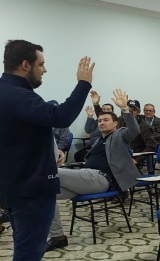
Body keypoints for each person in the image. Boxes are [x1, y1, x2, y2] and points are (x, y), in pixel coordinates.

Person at [0, 39, 95, 261]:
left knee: (24, 244)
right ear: (26, 65)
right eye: (41, 64)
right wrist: (83, 84)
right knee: (29, 252)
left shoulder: (5, 91)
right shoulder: (16, 94)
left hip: (12, 186)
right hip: (30, 190)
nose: (45, 69)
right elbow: (60, 116)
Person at [46, 89, 141, 251]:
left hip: (100, 179)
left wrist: (124, 109)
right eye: (99, 121)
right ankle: (57, 236)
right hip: (84, 179)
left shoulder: (119, 136)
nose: (101, 122)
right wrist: (96, 105)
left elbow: (134, 130)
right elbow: (97, 122)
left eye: (105, 120)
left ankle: (8, 201)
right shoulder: (99, 140)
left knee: (46, 171)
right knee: (46, 194)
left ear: (116, 123)